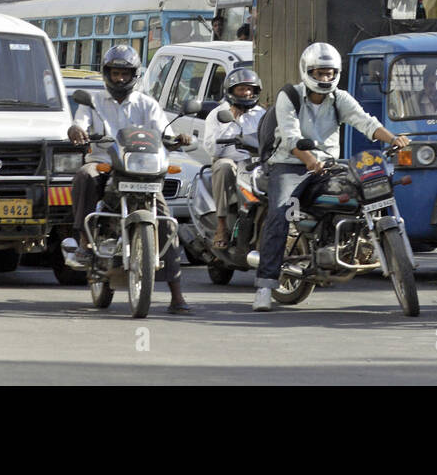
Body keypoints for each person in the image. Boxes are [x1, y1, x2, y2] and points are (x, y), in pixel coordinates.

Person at [252, 42, 410, 312]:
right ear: (307, 71)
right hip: (290, 164)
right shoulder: (289, 96)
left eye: (329, 73)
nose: (324, 78)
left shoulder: (340, 98)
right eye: (318, 73)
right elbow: (290, 138)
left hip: (328, 164)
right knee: (280, 213)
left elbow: (365, 122)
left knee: (362, 192)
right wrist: (310, 160)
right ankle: (265, 286)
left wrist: (394, 138)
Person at [64, 44, 191, 314]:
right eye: (115, 73)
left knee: (167, 222)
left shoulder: (147, 104)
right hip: (106, 165)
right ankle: (85, 244)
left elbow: (162, 131)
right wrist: (76, 130)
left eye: (125, 73)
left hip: (141, 170)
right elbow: (80, 123)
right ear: (106, 73)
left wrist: (176, 138)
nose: (120, 78)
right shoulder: (93, 102)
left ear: (133, 75)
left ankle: (177, 294)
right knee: (84, 176)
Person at [200, 67, 265, 250]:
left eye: (249, 89)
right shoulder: (218, 114)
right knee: (223, 167)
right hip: (231, 163)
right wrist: (230, 122)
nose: (245, 93)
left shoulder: (261, 114)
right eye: (240, 89)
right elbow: (212, 150)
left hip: (255, 164)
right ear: (231, 91)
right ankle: (221, 226)